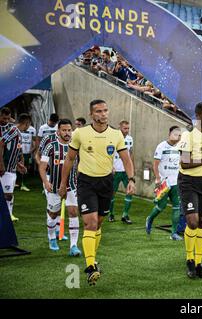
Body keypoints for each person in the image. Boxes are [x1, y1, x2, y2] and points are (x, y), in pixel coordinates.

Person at [58, 99, 135, 286]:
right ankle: (91, 266)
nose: (103, 114)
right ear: (91, 114)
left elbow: (126, 159)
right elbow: (69, 159)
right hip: (86, 182)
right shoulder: (80, 133)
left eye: (106, 110)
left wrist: (131, 179)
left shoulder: (116, 135)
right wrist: (62, 183)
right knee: (90, 222)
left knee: (98, 223)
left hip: (106, 183)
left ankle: (93, 257)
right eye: (99, 111)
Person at [177, 102, 202, 279]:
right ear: (198, 117)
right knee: (192, 221)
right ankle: (189, 259)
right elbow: (184, 163)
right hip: (188, 181)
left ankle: (199, 264)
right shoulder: (188, 135)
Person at [39, 119, 81, 255]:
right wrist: (46, 182)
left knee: (74, 212)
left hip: (71, 186)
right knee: (53, 214)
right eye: (64, 130)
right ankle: (52, 238)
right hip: (54, 187)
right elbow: (42, 166)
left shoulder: (76, 146)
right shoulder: (51, 146)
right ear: (58, 131)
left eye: (69, 130)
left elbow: (80, 165)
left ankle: (73, 246)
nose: (67, 133)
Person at [146, 126, 183, 241]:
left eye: (179, 134)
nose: (177, 137)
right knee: (161, 206)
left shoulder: (181, 147)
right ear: (170, 134)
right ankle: (150, 219)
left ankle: (173, 233)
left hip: (176, 182)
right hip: (164, 182)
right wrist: (157, 179)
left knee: (177, 207)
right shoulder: (161, 146)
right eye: (175, 134)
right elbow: (155, 164)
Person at [0, 113, 31, 222]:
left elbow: (14, 152)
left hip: (12, 169)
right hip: (6, 169)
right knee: (7, 195)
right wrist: (1, 164)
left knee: (9, 195)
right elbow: (1, 143)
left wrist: (19, 165)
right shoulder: (13, 131)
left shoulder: (19, 134)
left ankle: (9, 215)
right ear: (26, 123)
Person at [109, 120, 134, 224]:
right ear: (120, 128)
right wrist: (111, 167)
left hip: (126, 172)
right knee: (111, 194)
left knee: (130, 192)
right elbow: (108, 153)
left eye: (128, 128)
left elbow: (131, 154)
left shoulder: (129, 139)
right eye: (125, 128)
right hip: (115, 171)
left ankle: (125, 214)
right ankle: (111, 214)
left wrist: (132, 170)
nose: (127, 130)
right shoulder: (113, 137)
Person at [18, 123, 36, 192]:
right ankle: (18, 183)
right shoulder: (18, 128)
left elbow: (34, 140)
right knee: (19, 166)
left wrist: (32, 149)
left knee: (25, 167)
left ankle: (23, 184)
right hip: (20, 151)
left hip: (27, 152)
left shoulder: (32, 129)